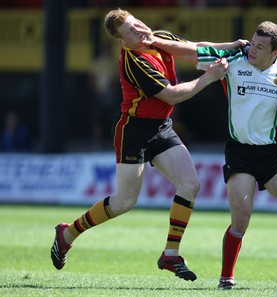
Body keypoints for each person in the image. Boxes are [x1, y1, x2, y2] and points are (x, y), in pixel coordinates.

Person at [50, 8, 245, 282]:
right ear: (121, 41)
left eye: (136, 23)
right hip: (134, 131)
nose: (139, 30)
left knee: (190, 185)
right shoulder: (133, 61)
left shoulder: (158, 37)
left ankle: (170, 253)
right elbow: (171, 96)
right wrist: (209, 77)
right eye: (130, 31)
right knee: (124, 202)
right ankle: (68, 233)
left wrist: (230, 46)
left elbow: (195, 49)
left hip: (162, 128)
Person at [148, 20, 277, 289]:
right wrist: (153, 41)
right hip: (239, 153)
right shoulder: (234, 59)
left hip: (273, 153)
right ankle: (226, 279)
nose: (252, 49)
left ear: (275, 53)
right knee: (240, 218)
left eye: (260, 47)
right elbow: (190, 51)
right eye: (252, 43)